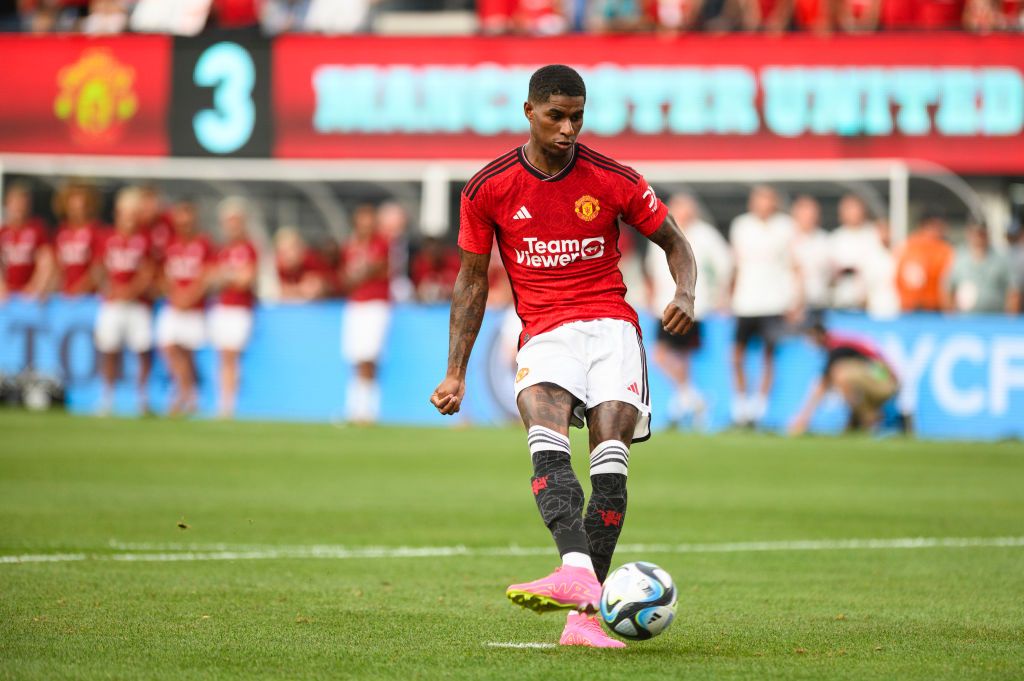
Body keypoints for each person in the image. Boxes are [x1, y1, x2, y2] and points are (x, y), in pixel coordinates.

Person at [429, 65, 696, 649]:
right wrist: (456, 370)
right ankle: (575, 569)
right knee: (546, 440)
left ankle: (581, 621)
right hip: (546, 332)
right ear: (529, 112)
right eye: (556, 115)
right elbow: (471, 283)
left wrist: (684, 292)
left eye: (578, 116)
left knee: (608, 464)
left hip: (612, 329)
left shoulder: (613, 177)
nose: (569, 128)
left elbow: (674, 240)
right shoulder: (488, 187)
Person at [645, 193, 731, 428]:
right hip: (663, 304)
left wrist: (719, 295)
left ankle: (688, 399)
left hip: (691, 305)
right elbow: (652, 269)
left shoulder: (705, 235)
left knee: (675, 355)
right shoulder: (660, 230)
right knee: (666, 355)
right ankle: (691, 399)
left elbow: (724, 264)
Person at [728, 185, 801, 428]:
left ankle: (759, 409)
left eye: (767, 199)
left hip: (774, 302)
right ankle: (741, 407)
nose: (763, 204)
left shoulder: (786, 226)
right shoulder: (741, 226)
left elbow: (793, 264)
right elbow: (736, 264)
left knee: (768, 357)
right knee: (737, 356)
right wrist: (728, 295)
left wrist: (794, 300)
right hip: (745, 302)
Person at [93, 187, 155, 415]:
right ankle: (107, 398)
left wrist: (131, 290)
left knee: (142, 350)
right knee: (109, 350)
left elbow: (148, 271)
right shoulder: (107, 237)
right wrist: (110, 288)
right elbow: (99, 268)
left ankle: (142, 398)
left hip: (137, 304)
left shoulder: (145, 239)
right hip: (111, 303)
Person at [156, 200, 214, 415]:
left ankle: (186, 396)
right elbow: (161, 274)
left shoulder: (204, 244)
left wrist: (190, 296)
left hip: (194, 308)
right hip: (173, 305)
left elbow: (207, 274)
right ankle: (186, 392)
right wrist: (174, 295)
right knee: (168, 347)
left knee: (188, 354)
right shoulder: (169, 244)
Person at [789, 322, 900, 435]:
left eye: (811, 337)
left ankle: (870, 420)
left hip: (886, 383)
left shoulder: (836, 347)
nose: (809, 342)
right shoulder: (838, 343)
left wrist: (803, 418)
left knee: (841, 374)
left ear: (820, 335)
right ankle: (860, 421)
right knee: (846, 379)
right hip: (881, 380)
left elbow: (821, 386)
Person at [339, 203, 391, 425]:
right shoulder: (351, 245)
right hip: (356, 304)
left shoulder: (381, 243)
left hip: (375, 304)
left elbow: (375, 268)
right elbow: (345, 277)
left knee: (369, 358)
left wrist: (359, 273)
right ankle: (354, 409)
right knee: (356, 357)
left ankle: (368, 410)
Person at [209, 197, 259, 419]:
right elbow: (211, 278)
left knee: (231, 355)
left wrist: (225, 276)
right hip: (222, 307)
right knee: (223, 356)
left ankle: (230, 405)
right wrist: (229, 276)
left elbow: (245, 280)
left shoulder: (249, 249)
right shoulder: (222, 250)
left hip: (240, 308)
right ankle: (223, 402)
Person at [944, 222, 1020, 314]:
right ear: (969, 234)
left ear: (988, 234)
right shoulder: (958, 257)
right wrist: (950, 316)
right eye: (975, 234)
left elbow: (1013, 290)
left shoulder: (1001, 258)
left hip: (995, 320)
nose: (978, 238)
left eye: (982, 234)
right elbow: (947, 288)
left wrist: (1010, 319)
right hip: (964, 321)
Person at [828, 194, 883, 311]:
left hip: (872, 303)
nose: (852, 213)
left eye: (855, 208)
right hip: (843, 301)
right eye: (848, 209)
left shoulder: (874, 235)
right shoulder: (835, 239)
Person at [0, 183, 53, 302]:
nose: (19, 207)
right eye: (15, 203)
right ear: (7, 204)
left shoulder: (37, 229)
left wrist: (36, 286)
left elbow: (46, 261)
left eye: (22, 203)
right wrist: (2, 286)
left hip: (29, 294)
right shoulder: (3, 231)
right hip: (6, 296)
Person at [53, 181, 105, 297]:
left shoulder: (95, 231)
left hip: (89, 296)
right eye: (72, 207)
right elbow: (57, 266)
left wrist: (80, 289)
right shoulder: (61, 232)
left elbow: (98, 268)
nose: (76, 211)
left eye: (80, 207)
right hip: (64, 295)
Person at [894, 213, 954, 312]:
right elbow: (899, 277)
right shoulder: (910, 247)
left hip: (935, 308)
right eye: (935, 226)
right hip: (910, 308)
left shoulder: (945, 250)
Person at [790, 195, 831, 324]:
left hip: (819, 305)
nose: (808, 218)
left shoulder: (825, 240)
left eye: (811, 214)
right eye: (804, 214)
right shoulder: (786, 238)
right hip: (790, 308)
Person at [274, 227, 330, 301]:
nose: (289, 255)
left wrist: (321, 286)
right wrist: (299, 289)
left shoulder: (312, 261)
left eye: (292, 249)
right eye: (284, 252)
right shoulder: (274, 267)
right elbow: (276, 292)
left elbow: (327, 286)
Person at [410, 237, 461, 304]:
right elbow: (416, 291)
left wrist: (447, 289)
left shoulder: (453, 261)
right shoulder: (420, 264)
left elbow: (462, 286)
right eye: (429, 251)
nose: (433, 253)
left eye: (435, 250)